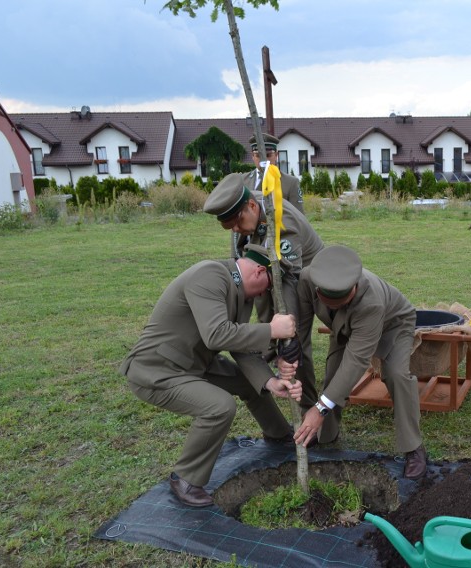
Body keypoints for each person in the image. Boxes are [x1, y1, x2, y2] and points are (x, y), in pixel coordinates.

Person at [120, 245, 303, 507]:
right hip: (157, 370)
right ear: (260, 271)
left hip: (195, 362)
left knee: (249, 382)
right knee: (219, 407)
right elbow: (217, 334)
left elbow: (238, 344)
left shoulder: (241, 290)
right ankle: (185, 478)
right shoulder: (210, 276)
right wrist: (271, 330)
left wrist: (269, 381)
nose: (265, 294)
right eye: (267, 287)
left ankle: (278, 433)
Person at [292, 245, 428, 479]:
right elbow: (301, 330)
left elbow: (356, 361)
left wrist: (320, 408)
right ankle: (326, 434)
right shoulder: (307, 279)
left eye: (347, 300)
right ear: (318, 290)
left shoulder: (370, 302)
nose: (342, 304)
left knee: (396, 375)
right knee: (334, 375)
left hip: (393, 325)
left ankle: (414, 447)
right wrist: (290, 357)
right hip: (344, 328)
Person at [203, 172, 323, 411]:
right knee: (268, 324)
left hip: (303, 275)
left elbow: (288, 278)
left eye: (238, 224)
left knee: (295, 341)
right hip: (266, 269)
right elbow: (239, 255)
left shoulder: (282, 221)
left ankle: (307, 404)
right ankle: (268, 374)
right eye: (231, 227)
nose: (236, 229)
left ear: (251, 206)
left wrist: (289, 329)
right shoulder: (240, 211)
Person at [251, 133, 304, 214]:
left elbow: (298, 216)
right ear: (253, 156)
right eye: (258, 155)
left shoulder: (291, 183)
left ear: (276, 155)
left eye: (268, 155)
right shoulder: (242, 181)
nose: (263, 160)